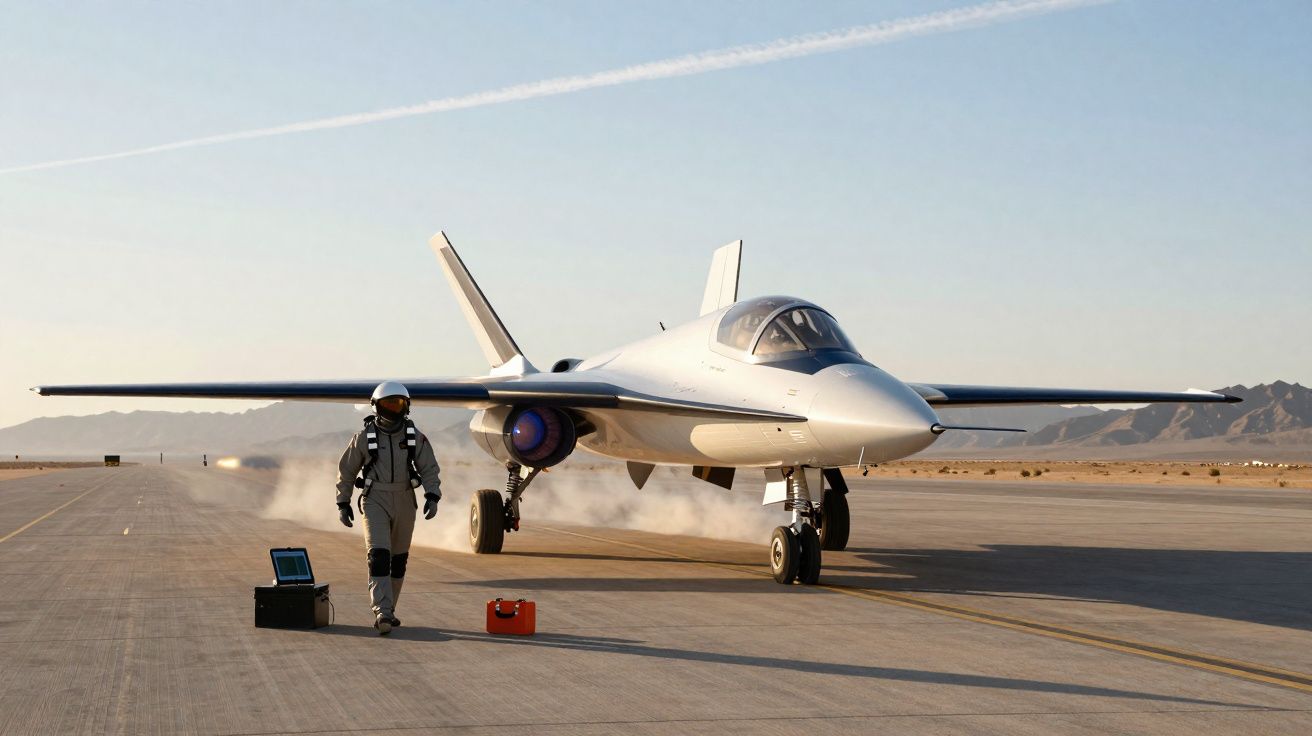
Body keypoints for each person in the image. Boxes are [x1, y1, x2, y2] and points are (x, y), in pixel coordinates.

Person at [335, 381, 441, 635]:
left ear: (407, 407)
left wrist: (433, 495)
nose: (394, 410)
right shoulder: (363, 438)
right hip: (374, 500)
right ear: (376, 407)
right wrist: (343, 502)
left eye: (399, 404)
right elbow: (347, 471)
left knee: (398, 560)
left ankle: (389, 609)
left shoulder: (414, 437)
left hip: (405, 500)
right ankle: (382, 611)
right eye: (388, 404)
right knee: (379, 556)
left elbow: (429, 467)